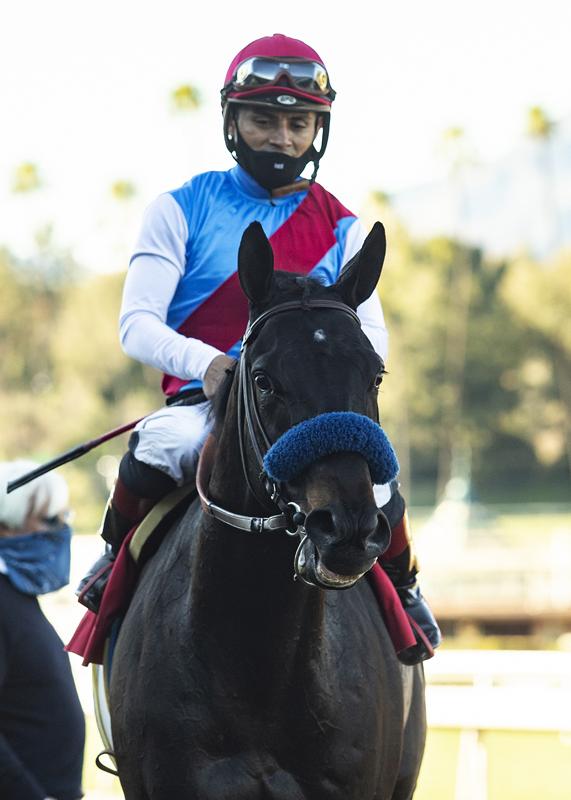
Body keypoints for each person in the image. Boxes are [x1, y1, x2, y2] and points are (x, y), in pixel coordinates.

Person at [78, 33, 440, 664]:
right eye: (264, 120)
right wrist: (208, 363)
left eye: (298, 124)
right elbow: (137, 323)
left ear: (318, 130)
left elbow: (371, 336)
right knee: (164, 443)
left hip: (308, 411)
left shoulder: (345, 226)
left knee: (379, 480)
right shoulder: (179, 208)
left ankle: (404, 589)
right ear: (232, 121)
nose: (282, 138)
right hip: (206, 401)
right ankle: (114, 566)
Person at [0, 461, 85, 800]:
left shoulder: (16, 597)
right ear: (5, 528)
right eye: (49, 520)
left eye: (65, 518)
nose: (61, 531)